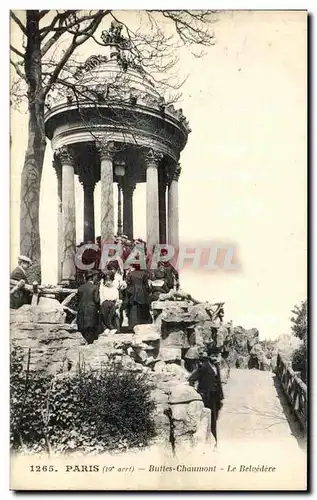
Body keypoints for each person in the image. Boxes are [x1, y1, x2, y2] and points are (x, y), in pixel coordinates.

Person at [188, 347, 224, 445]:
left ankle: (214, 441)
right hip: (206, 397)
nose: (215, 357)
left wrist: (221, 398)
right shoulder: (203, 366)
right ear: (209, 356)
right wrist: (198, 393)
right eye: (213, 355)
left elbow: (219, 382)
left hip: (215, 397)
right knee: (206, 419)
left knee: (214, 419)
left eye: (216, 355)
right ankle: (207, 441)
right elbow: (192, 379)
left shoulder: (216, 366)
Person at [99, 268, 126, 333]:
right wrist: (101, 303)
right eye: (106, 280)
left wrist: (117, 303)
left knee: (113, 315)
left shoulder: (114, 287)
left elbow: (116, 296)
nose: (108, 282)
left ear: (112, 280)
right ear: (104, 281)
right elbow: (101, 295)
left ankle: (113, 328)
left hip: (112, 303)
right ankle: (106, 328)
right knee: (103, 315)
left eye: (110, 280)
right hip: (104, 303)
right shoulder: (102, 287)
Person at [76, 270, 100, 344]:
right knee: (91, 330)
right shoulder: (95, 287)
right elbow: (97, 300)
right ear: (92, 278)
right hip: (91, 309)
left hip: (81, 310)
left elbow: (77, 301)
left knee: (84, 329)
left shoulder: (80, 288)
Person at [126, 264, 152, 329]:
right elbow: (146, 284)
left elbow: (128, 283)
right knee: (143, 309)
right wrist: (148, 291)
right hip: (143, 292)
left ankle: (133, 325)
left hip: (133, 292)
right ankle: (144, 324)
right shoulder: (144, 273)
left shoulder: (130, 274)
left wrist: (129, 291)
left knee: (133, 309)